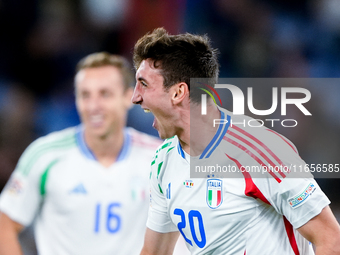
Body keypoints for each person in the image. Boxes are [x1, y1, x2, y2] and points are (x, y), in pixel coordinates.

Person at [131, 28, 340, 255]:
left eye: (144, 83)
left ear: (178, 92)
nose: (135, 97)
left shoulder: (260, 151)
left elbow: (330, 240)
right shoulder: (163, 161)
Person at [0, 52, 163, 255]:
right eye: (85, 95)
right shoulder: (45, 156)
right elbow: (4, 222)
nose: (94, 106)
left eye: (104, 94)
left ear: (129, 97)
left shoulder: (160, 158)